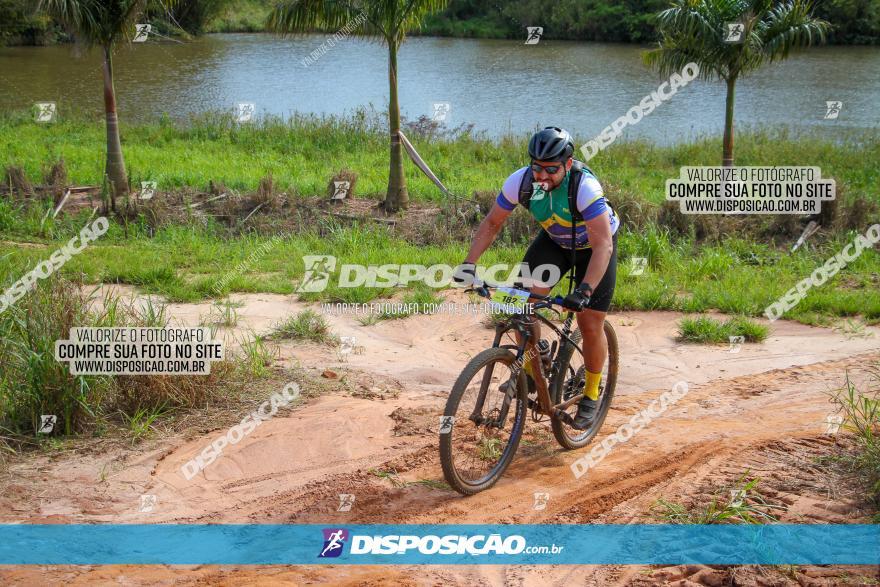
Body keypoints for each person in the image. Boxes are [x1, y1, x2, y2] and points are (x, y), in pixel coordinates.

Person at [456, 126, 619, 429]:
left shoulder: (584, 188)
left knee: (590, 321)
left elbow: (603, 245)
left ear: (568, 164)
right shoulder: (521, 182)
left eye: (551, 169)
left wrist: (584, 290)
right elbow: (492, 223)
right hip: (556, 243)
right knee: (522, 306)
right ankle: (533, 368)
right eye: (537, 168)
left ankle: (592, 393)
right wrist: (469, 263)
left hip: (593, 251)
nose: (542, 176)